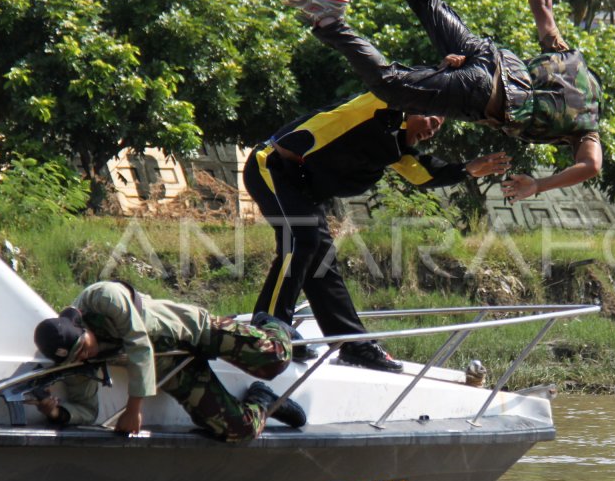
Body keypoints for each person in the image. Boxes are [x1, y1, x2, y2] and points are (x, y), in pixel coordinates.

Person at [281, 0, 602, 205]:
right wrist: (538, 185)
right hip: (484, 93)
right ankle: (330, 21)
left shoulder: (570, 59)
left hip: (485, 55)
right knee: (390, 86)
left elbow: (544, 9)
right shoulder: (586, 128)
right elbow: (590, 165)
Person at [244, 95, 510, 372]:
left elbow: (423, 175)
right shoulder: (380, 106)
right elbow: (406, 84)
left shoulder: (396, 148)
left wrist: (467, 169)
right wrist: (447, 67)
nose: (431, 129)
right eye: (430, 119)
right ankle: (270, 326)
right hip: (270, 165)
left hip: (301, 189)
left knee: (322, 264)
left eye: (437, 127)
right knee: (303, 241)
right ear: (412, 106)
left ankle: (352, 344)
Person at [32, 280, 305, 440]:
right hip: (173, 369)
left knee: (276, 358)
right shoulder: (78, 360)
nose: (84, 357)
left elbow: (139, 343)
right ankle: (264, 400)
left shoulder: (101, 297)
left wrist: (133, 407)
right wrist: (58, 413)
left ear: (80, 326)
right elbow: (86, 409)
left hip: (195, 331)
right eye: (76, 358)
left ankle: (270, 324)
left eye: (82, 348)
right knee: (239, 430)